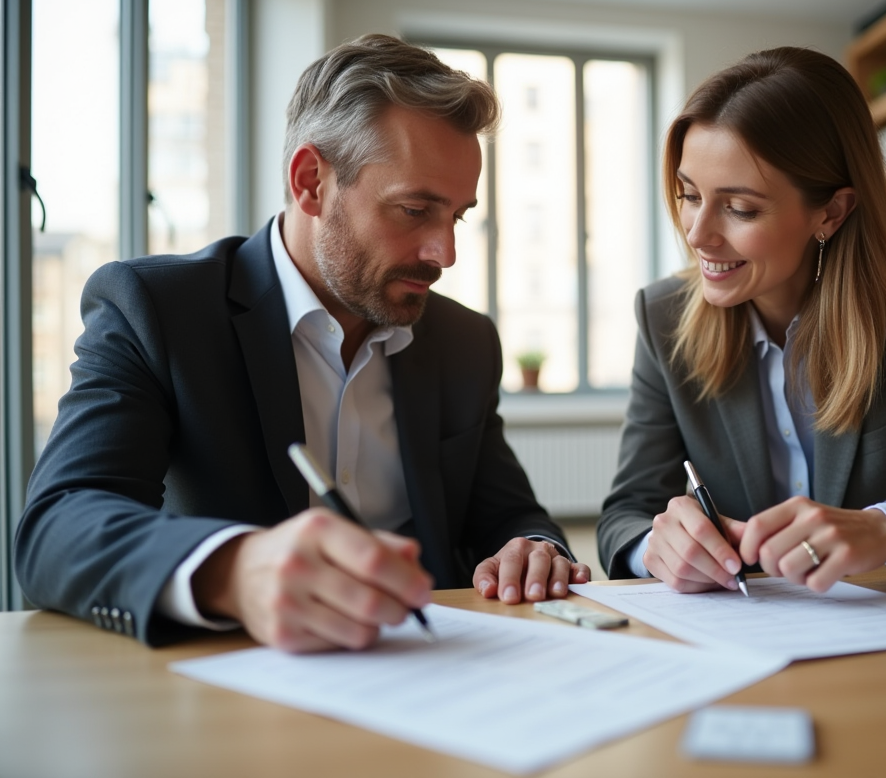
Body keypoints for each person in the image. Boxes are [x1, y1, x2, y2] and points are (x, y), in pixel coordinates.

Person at [17, 34, 589, 651]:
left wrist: (536, 550)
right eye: (415, 210)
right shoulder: (158, 309)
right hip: (235, 691)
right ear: (311, 181)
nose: (444, 253)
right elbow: (57, 527)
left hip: (437, 672)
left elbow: (508, 517)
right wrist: (233, 570)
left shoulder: (465, 341)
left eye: (457, 216)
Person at [597, 47, 886, 593]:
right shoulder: (663, 318)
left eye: (740, 208)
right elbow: (624, 516)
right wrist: (655, 547)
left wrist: (885, 529)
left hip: (881, 627)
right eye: (689, 195)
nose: (697, 234)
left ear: (831, 212)